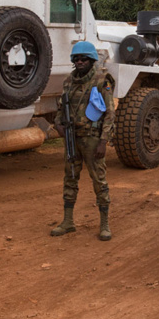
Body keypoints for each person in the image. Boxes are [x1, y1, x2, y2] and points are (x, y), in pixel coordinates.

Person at [51, 41, 115, 241]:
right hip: (72, 138)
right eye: (76, 59)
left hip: (92, 139)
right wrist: (58, 124)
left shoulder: (101, 80)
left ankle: (104, 224)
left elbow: (110, 114)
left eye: (83, 58)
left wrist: (103, 141)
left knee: (99, 181)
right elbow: (61, 108)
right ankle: (68, 221)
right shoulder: (69, 81)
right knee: (70, 178)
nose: (79, 62)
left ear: (91, 60)